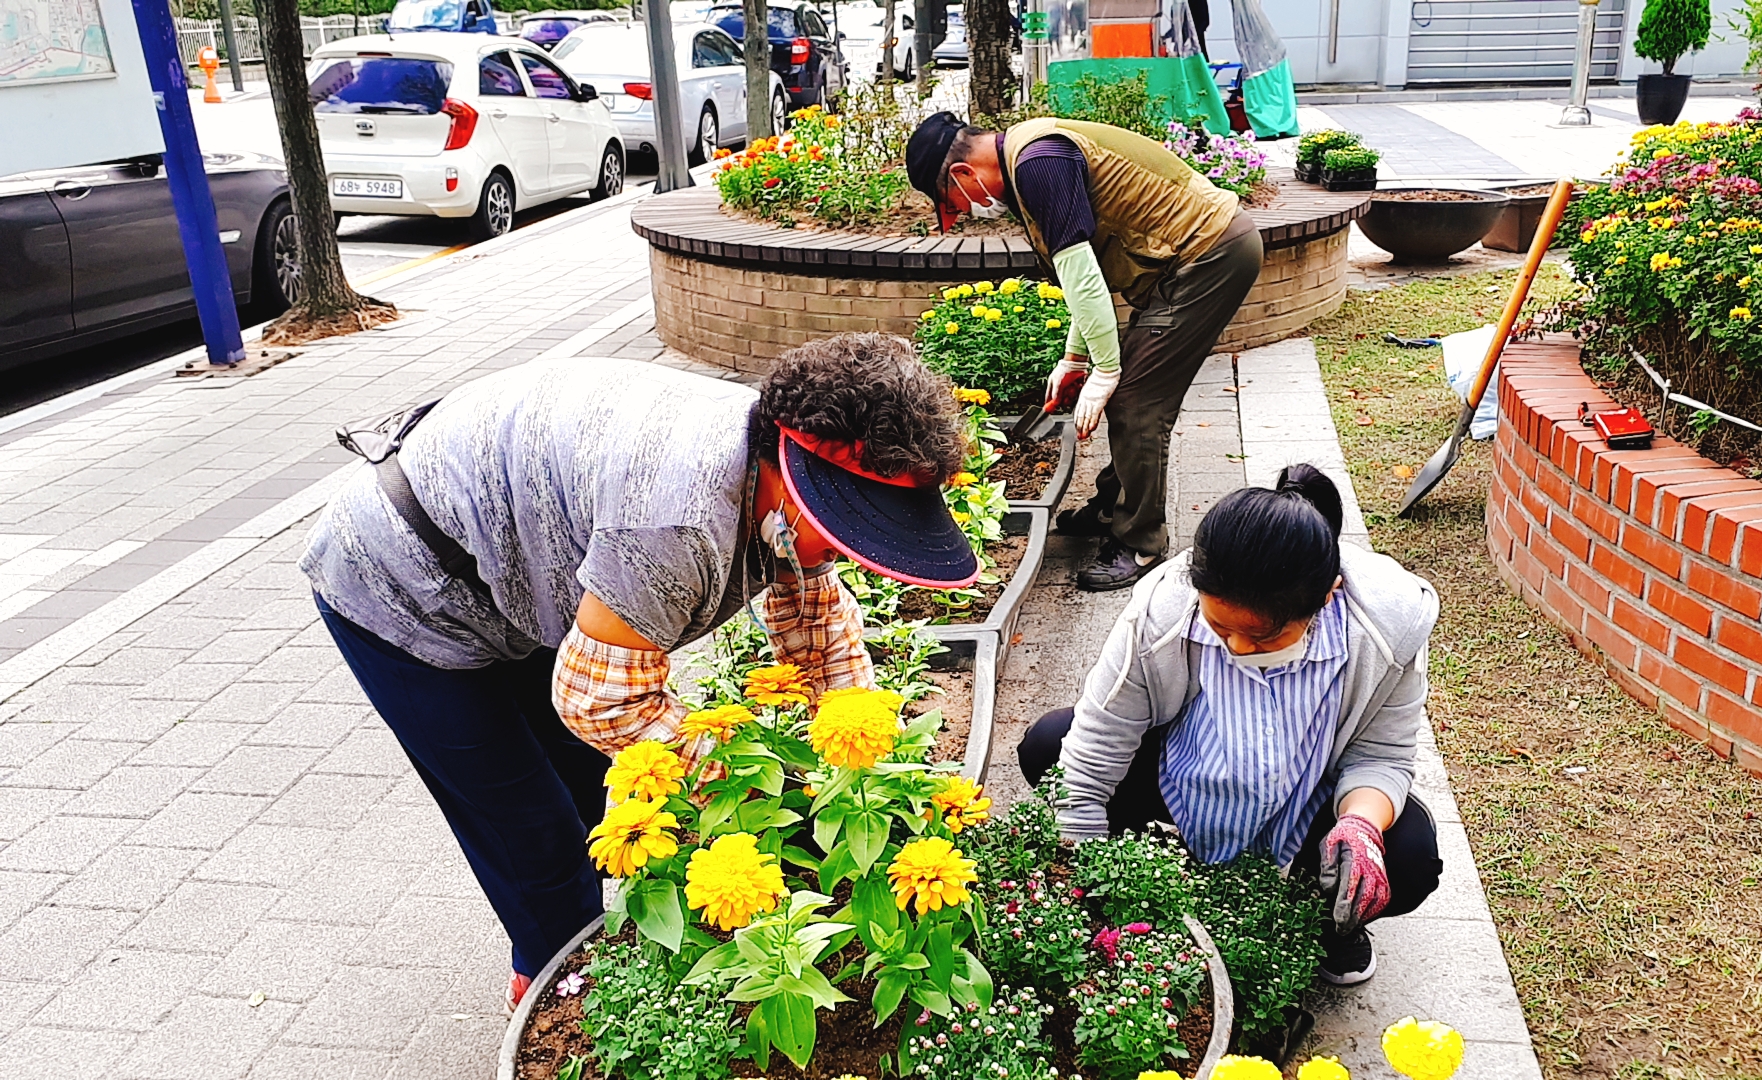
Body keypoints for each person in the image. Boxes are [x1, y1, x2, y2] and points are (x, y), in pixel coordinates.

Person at [301, 336, 977, 1006]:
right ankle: (558, 991)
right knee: (529, 826)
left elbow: (819, 635)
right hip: (401, 579)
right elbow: (600, 701)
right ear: (790, 477)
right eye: (843, 528)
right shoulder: (676, 522)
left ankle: (586, 949)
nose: (847, 551)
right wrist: (748, 783)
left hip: (510, 567)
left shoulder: (769, 470)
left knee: (587, 785)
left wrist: (861, 769)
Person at [1016, 465, 1444, 987]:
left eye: (1263, 637)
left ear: (1326, 597)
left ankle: (1324, 921)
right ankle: (1151, 870)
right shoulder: (1164, 608)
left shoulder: (1386, 627)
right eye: (1219, 627)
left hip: (1308, 796)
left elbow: (1382, 756)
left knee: (1410, 855)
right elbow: (1100, 735)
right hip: (1181, 775)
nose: (1238, 648)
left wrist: (1361, 825)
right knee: (1049, 745)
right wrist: (1086, 877)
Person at [905, 111, 1264, 592]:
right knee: (1129, 391)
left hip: (1211, 255)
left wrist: (1106, 369)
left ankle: (1139, 541)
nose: (963, 213)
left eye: (953, 202)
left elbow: (1083, 274)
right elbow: (1084, 274)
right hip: (1192, 259)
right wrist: (1076, 359)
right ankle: (1113, 507)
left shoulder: (1039, 164)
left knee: (1137, 401)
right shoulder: (1030, 160)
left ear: (963, 173)